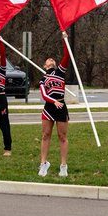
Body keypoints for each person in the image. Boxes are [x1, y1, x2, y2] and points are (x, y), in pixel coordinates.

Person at [38, 31, 70, 177]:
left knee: (62, 136)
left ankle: (63, 166)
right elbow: (44, 95)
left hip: (61, 107)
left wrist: (65, 40)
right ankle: (43, 163)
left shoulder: (60, 72)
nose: (51, 59)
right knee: (45, 135)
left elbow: (67, 56)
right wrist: (53, 101)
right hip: (49, 107)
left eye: (52, 59)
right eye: (48, 60)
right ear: (45, 65)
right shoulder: (43, 78)